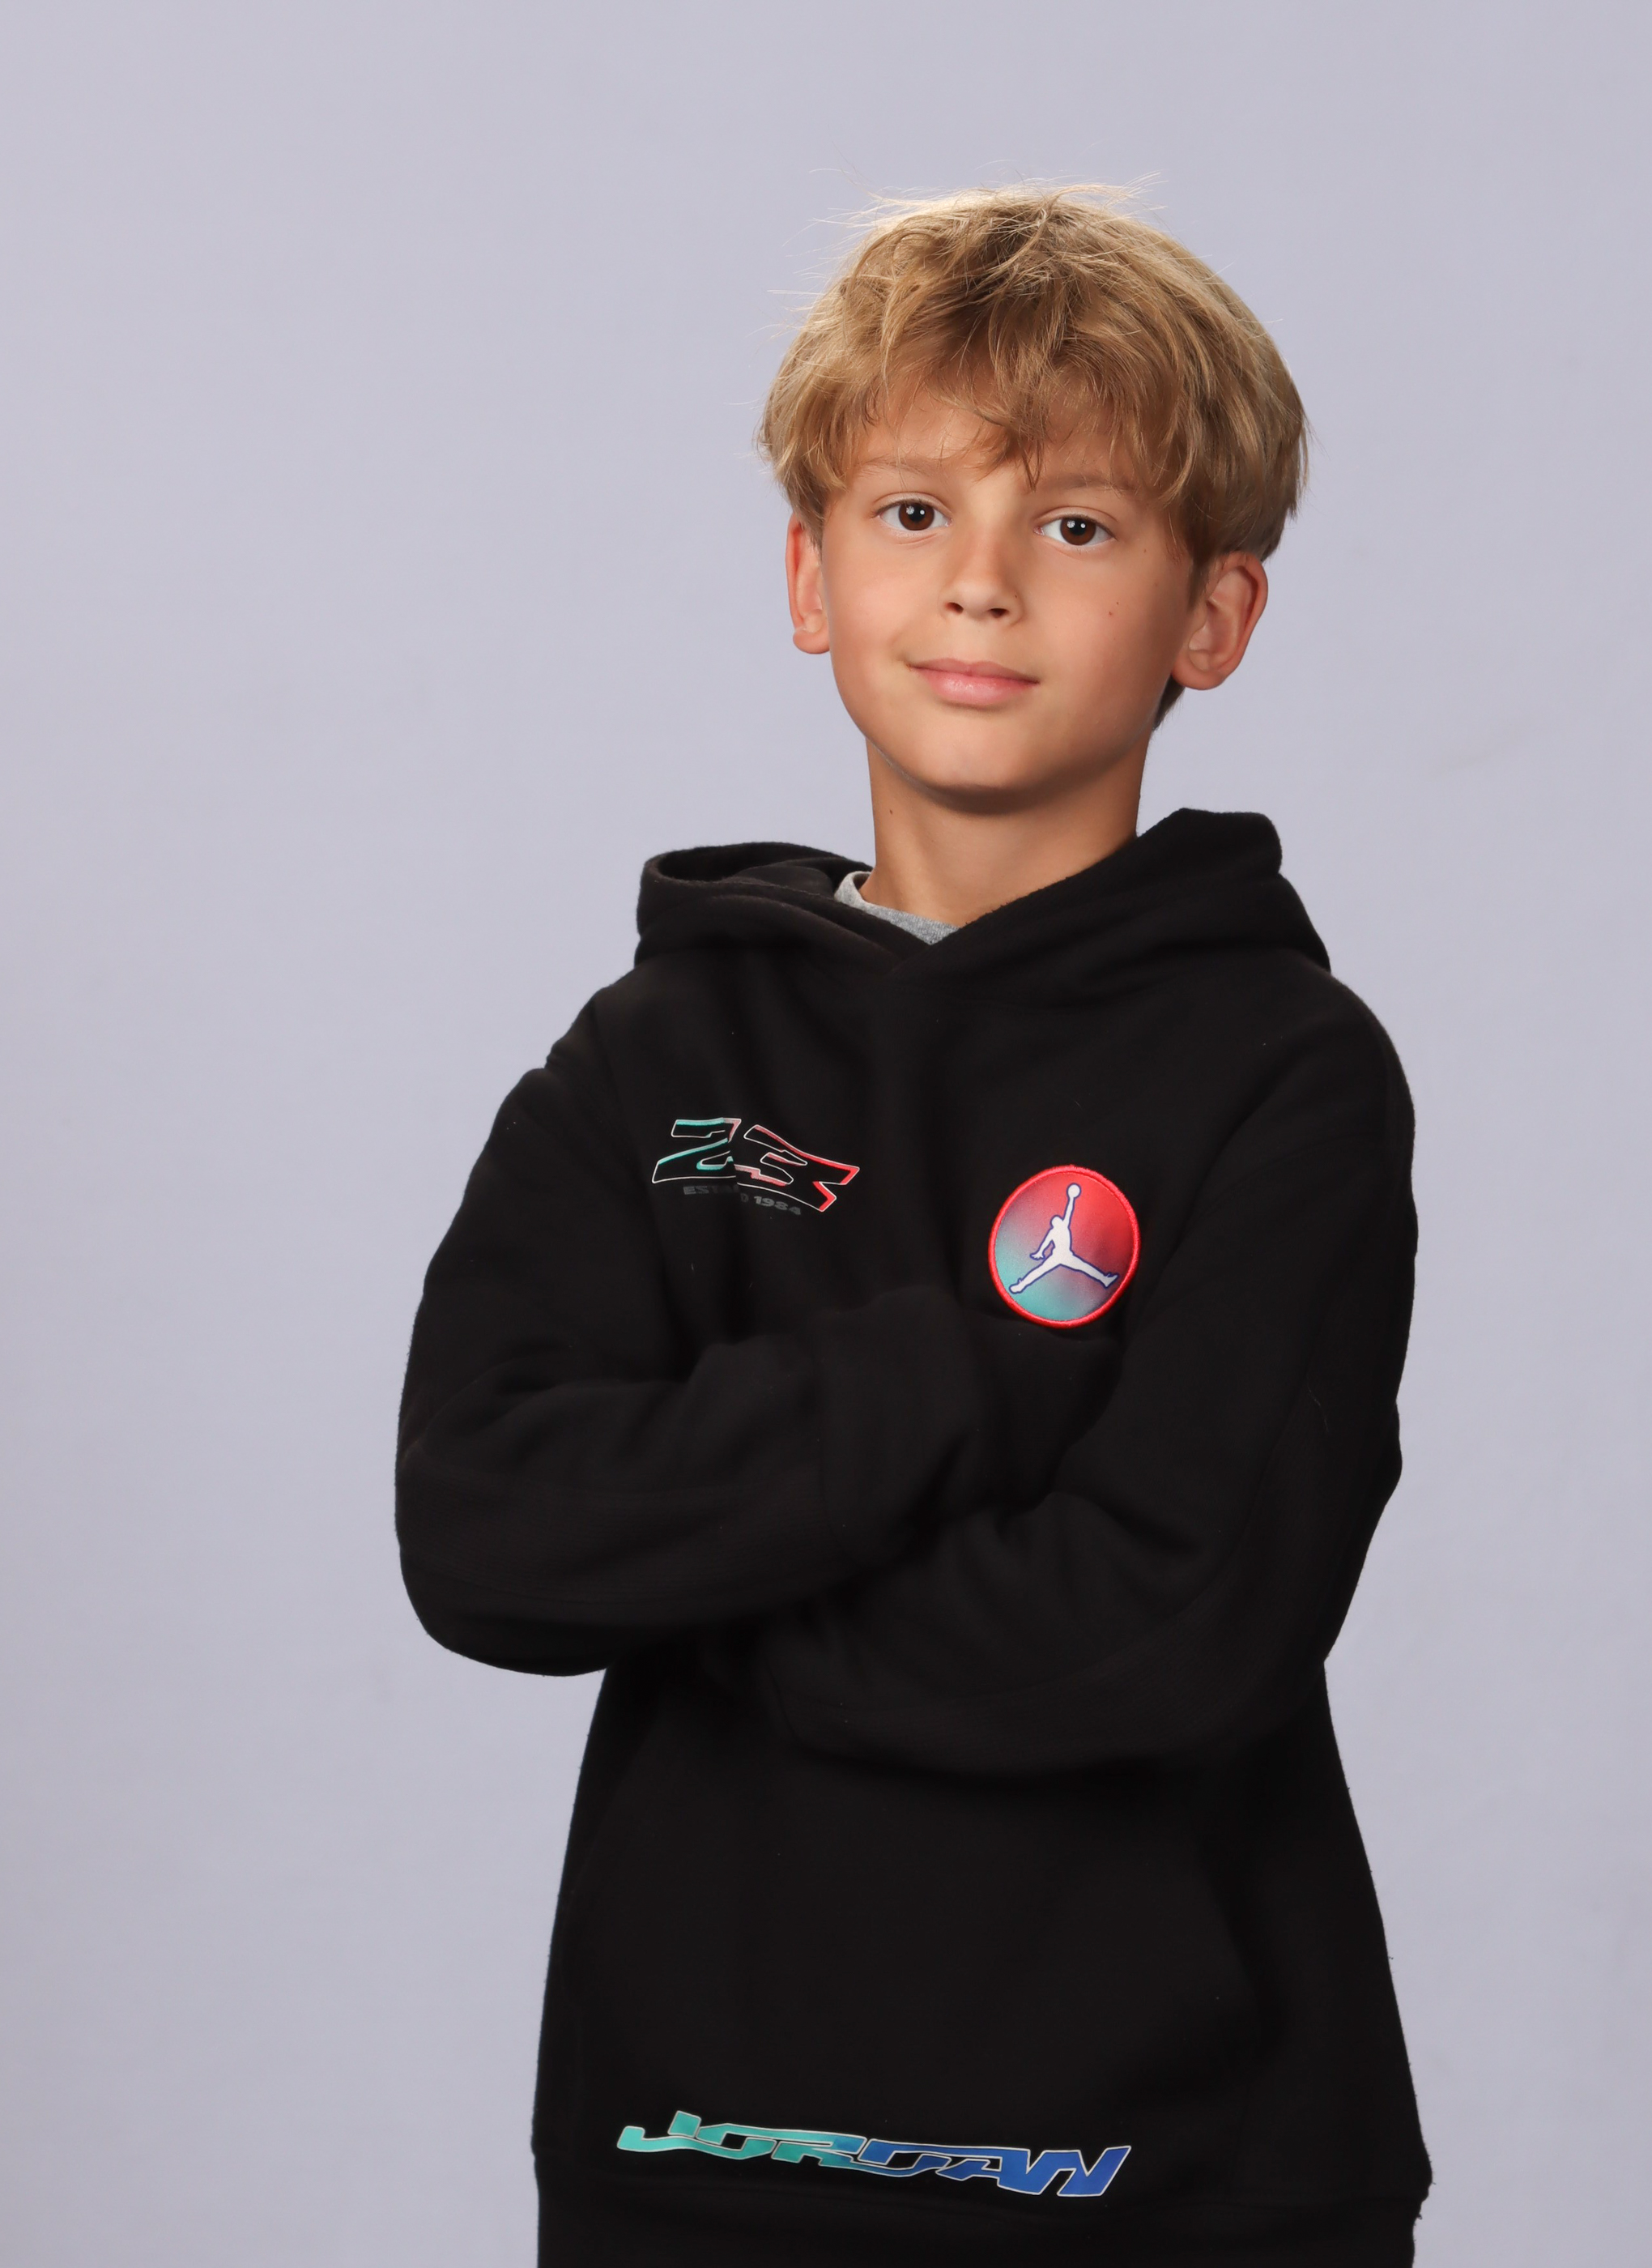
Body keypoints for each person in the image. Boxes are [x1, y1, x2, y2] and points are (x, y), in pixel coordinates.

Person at [396, 186, 1432, 2266]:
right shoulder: (652, 1057)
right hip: (698, 2144)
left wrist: (700, 1579)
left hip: (1177, 2173)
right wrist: (967, 1373)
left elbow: (1168, 1622)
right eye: (910, 511)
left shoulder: (1284, 1073)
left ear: (1212, 616)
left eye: (1077, 523)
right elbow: (489, 1529)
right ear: (810, 574)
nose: (979, 582)